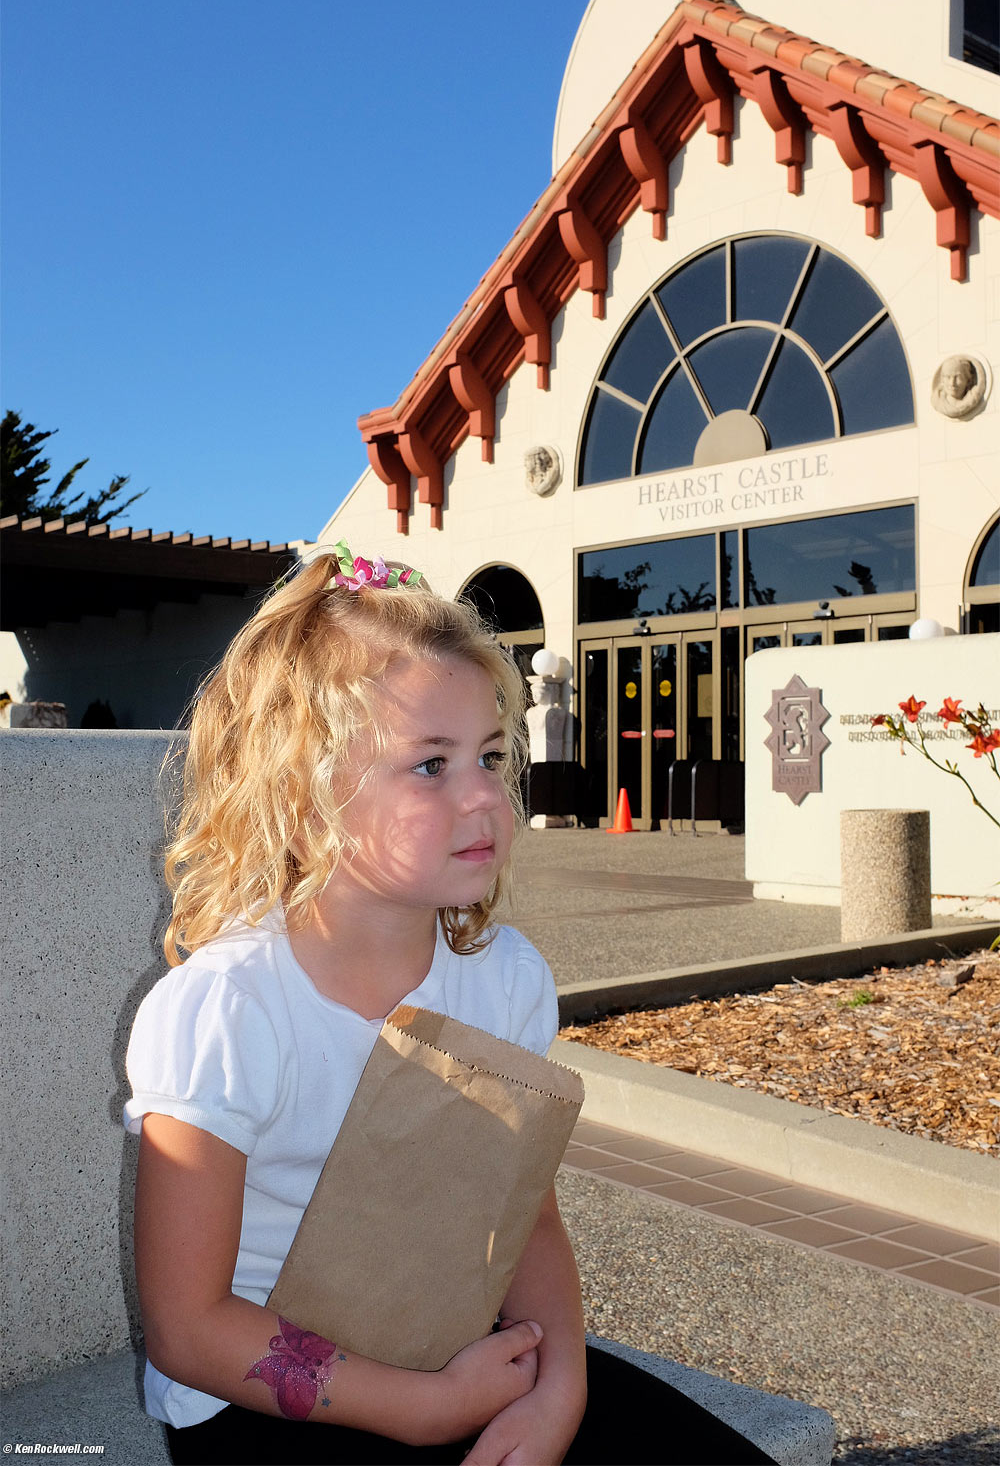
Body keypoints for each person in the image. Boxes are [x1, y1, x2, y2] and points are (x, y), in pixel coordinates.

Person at [125, 541, 777, 1466]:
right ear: (305, 800)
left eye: (490, 755)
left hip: (448, 1342)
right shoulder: (228, 1011)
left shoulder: (504, 981)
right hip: (263, 1401)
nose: (482, 795)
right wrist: (417, 1410)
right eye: (430, 766)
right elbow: (189, 1328)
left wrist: (561, 1387)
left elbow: (523, 1214)